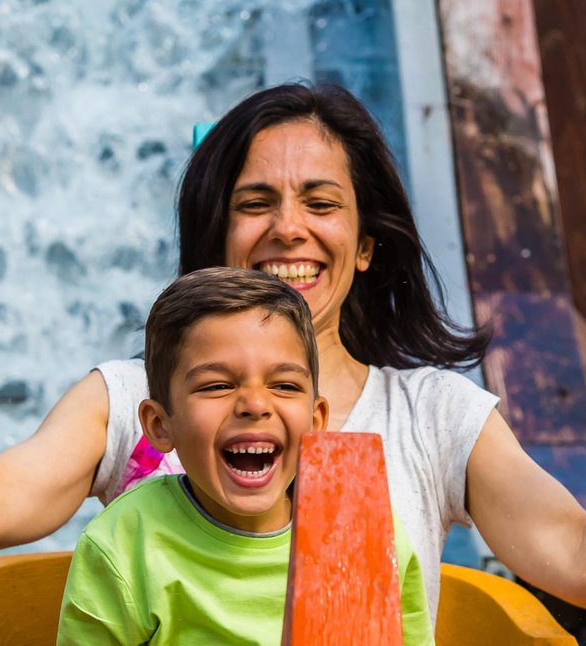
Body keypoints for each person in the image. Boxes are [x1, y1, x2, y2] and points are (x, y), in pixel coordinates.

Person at [0, 82, 586, 618]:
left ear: (364, 246)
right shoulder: (134, 403)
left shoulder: (433, 418)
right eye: (256, 204)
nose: (290, 229)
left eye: (322, 204)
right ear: (216, 235)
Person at [55, 266, 432, 645]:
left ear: (317, 421)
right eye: (217, 385)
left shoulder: (367, 537)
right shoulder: (123, 544)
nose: (254, 404)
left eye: (284, 385)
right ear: (159, 424)